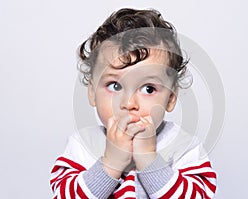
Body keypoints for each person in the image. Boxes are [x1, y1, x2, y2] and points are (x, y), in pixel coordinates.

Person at [50, 8, 217, 199]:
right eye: (114, 85)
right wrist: (110, 163)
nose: (129, 104)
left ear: (170, 98)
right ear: (92, 92)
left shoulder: (183, 147)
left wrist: (150, 162)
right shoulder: (83, 145)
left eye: (148, 89)